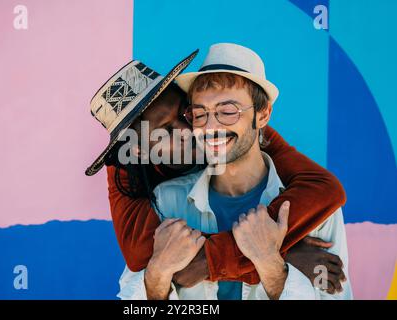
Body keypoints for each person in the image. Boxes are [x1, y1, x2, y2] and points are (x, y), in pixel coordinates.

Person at [85, 46, 348, 299]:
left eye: (185, 114)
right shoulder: (138, 183)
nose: (188, 130)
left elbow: (325, 189)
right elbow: (144, 259)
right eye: (165, 133)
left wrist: (262, 262)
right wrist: (282, 254)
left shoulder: (243, 133)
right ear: (141, 149)